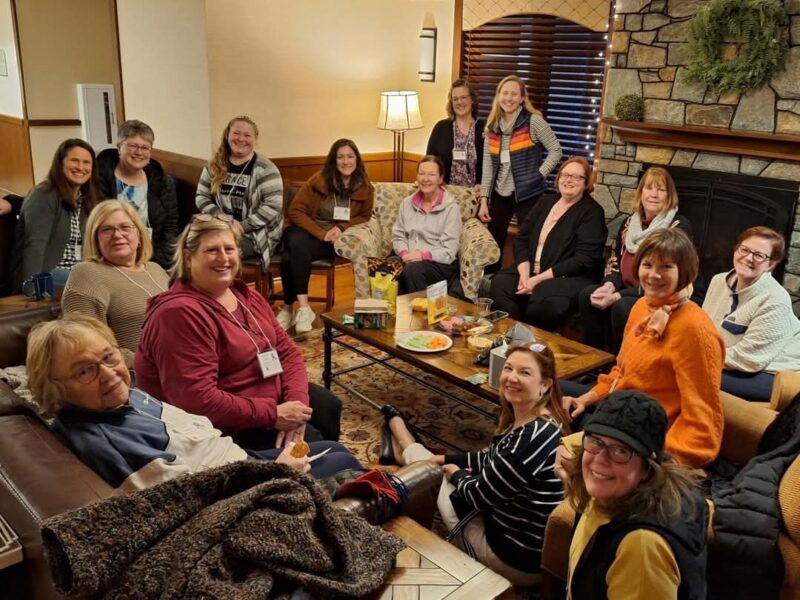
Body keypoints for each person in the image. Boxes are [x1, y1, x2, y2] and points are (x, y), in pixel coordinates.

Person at [26, 316, 361, 493]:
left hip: (238, 462)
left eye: (108, 356)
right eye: (85, 371)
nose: (109, 374)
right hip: (241, 488)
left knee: (331, 444)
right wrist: (278, 472)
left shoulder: (120, 396)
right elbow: (184, 499)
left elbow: (284, 348)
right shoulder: (102, 437)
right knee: (353, 468)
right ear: (55, 388)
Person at [135, 214, 342, 451]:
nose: (223, 258)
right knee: (324, 448)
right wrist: (273, 415)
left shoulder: (246, 296)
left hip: (266, 396)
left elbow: (287, 351)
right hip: (225, 426)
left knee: (327, 407)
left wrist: (296, 403)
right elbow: (197, 400)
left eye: (229, 249)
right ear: (188, 258)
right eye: (212, 250)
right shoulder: (178, 314)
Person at [383, 343, 568, 586]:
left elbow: (478, 497)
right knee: (435, 464)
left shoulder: (528, 439)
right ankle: (407, 446)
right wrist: (444, 459)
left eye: (524, 372)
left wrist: (457, 474)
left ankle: (402, 438)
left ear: (545, 385)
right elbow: (491, 459)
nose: (511, 377)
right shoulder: (542, 422)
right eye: (508, 368)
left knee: (429, 475)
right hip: (524, 547)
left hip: (513, 560)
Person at [562, 228, 725, 469]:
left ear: (685, 272)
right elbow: (622, 372)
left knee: (549, 430)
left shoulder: (695, 330)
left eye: (666, 267)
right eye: (647, 265)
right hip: (617, 410)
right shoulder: (641, 306)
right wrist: (586, 399)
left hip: (642, 437)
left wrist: (658, 466)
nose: (654, 275)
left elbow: (703, 419)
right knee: (549, 388)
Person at [558, 391, 707, 599]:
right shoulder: (609, 493)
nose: (600, 459)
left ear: (647, 468)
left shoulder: (641, 548)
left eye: (621, 451)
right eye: (596, 441)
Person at [579, 166, 692, 353]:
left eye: (661, 189)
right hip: (625, 286)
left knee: (622, 306)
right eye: (649, 188)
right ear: (641, 193)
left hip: (657, 293)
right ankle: (595, 358)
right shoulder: (629, 223)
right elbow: (616, 260)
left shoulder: (677, 227)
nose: (654, 194)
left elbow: (665, 276)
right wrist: (609, 286)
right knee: (588, 295)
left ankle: (619, 362)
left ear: (669, 196)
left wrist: (617, 296)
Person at [489, 157, 606, 331]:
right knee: (500, 285)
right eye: (565, 175)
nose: (568, 180)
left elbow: (583, 260)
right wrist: (524, 275)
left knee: (544, 301)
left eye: (576, 177)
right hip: (531, 272)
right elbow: (521, 238)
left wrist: (536, 280)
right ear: (558, 178)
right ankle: (513, 336)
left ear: (586, 182)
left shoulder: (592, 212)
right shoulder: (545, 202)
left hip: (567, 277)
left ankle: (533, 346)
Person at [277, 139, 374, 333]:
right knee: (296, 241)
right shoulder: (319, 180)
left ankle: (288, 308)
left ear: (357, 159)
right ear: (333, 160)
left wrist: (342, 227)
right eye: (340, 157)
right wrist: (321, 233)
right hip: (305, 230)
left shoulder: (365, 188)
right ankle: (304, 308)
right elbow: (295, 211)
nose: (345, 161)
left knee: (290, 256)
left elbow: (364, 216)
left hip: (331, 240)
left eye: (350, 156)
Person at [61, 200, 170, 367]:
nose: (117, 235)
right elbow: (86, 344)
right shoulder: (87, 273)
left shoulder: (155, 269)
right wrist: (151, 365)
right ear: (95, 239)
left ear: (139, 235)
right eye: (106, 230)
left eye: (125, 227)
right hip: (141, 374)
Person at [702, 226, 800, 402]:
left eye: (759, 255)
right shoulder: (718, 281)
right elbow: (704, 327)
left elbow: (750, 360)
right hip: (730, 359)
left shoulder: (775, 299)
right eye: (744, 250)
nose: (748, 258)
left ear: (771, 264)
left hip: (773, 372)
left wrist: (698, 356)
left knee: (695, 375)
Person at [478, 75, 562, 271]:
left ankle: (522, 283)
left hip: (528, 194)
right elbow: (488, 167)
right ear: (498, 96)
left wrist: (538, 175)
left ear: (522, 98)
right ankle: (490, 283)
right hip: (500, 193)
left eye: (514, 94)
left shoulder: (533, 121)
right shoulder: (492, 127)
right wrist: (484, 199)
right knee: (494, 240)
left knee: (526, 241)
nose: (509, 98)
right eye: (505, 93)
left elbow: (556, 150)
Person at [195, 115, 283, 268]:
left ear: (255, 140)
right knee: (192, 245)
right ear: (227, 135)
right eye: (236, 133)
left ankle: (223, 291)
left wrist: (242, 226)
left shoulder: (266, 169)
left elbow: (273, 206)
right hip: (220, 226)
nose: (241, 139)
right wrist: (223, 218)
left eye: (247, 135)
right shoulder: (214, 164)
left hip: (255, 234)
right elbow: (201, 196)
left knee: (216, 253)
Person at [12, 139, 101, 291]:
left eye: (86, 162)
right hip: (48, 273)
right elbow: (34, 245)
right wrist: (32, 287)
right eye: (74, 161)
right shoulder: (43, 195)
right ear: (60, 164)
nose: (81, 167)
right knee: (94, 286)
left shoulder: (86, 198)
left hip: (78, 270)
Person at [95, 120, 178, 269]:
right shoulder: (99, 178)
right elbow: (95, 223)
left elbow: (170, 227)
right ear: (119, 147)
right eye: (132, 145)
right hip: (110, 256)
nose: (139, 152)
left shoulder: (163, 182)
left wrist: (159, 262)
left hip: (152, 258)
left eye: (145, 147)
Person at [391, 155, 462, 295]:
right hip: (410, 258)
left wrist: (423, 256)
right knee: (389, 265)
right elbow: (398, 236)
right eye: (422, 173)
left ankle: (423, 312)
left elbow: (449, 251)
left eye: (431, 174)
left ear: (440, 178)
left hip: (439, 264)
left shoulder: (451, 208)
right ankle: (395, 314)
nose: (425, 179)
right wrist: (405, 254)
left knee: (413, 269)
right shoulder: (407, 203)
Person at [425, 79, 486, 187]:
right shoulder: (441, 127)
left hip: (476, 194)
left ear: (472, 100)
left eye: (463, 97)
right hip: (445, 193)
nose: (459, 102)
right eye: (455, 99)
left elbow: (491, 166)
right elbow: (429, 162)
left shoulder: (484, 128)